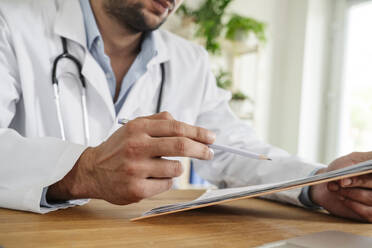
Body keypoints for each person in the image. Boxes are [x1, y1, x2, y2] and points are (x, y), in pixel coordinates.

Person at [0, 0, 371, 222]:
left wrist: (316, 183)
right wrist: (81, 172)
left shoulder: (189, 61)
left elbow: (236, 152)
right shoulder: (12, 24)